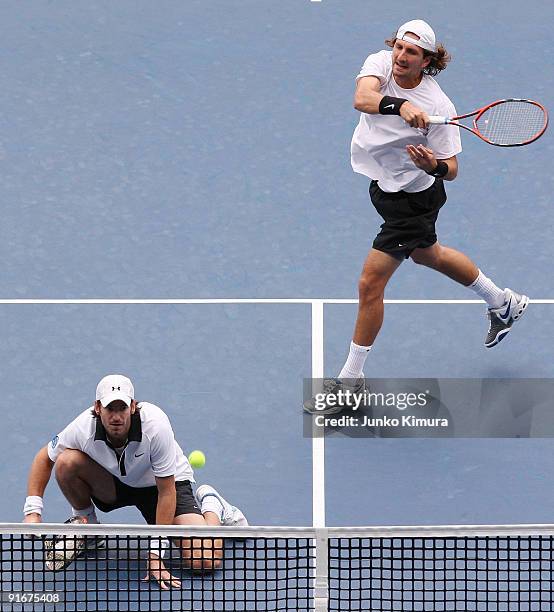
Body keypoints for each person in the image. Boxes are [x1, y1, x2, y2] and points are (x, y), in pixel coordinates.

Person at [304, 19, 528, 415]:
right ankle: (503, 302)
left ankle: (351, 382)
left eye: (412, 53)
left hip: (414, 200)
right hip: (384, 187)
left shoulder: (440, 107)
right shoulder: (379, 64)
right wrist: (401, 105)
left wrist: (432, 166)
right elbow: (362, 98)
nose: (401, 57)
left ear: (427, 61)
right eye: (400, 48)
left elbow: (452, 168)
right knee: (429, 254)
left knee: (369, 284)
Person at [23, 374, 247, 587]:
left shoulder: (156, 426)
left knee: (204, 560)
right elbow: (45, 457)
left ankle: (212, 505)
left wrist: (156, 555)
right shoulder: (83, 427)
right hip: (116, 483)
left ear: (133, 406)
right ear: (97, 407)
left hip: (162, 486)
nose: (116, 416)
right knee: (66, 462)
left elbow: (167, 492)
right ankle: (89, 529)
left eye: (122, 407)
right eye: (110, 408)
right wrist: (32, 511)